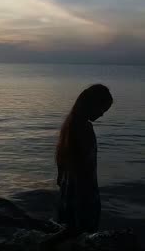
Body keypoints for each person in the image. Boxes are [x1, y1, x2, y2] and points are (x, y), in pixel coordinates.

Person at [40, 84, 113, 250]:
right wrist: (85, 192)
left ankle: (52, 244)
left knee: (72, 227)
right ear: (92, 104)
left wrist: (61, 178)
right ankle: (46, 245)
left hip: (70, 183)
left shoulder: (71, 124)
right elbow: (84, 163)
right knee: (81, 228)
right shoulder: (84, 128)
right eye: (102, 109)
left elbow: (62, 157)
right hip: (82, 187)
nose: (102, 114)